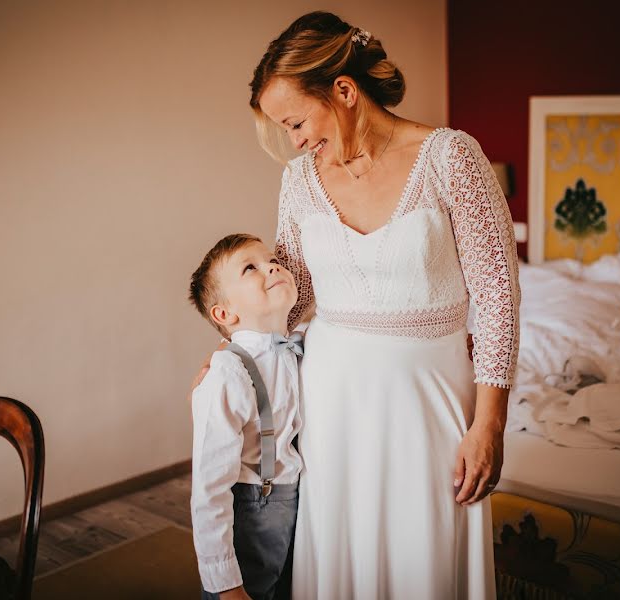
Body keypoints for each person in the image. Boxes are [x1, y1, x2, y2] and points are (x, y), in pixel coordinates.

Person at [241, 11, 520, 598]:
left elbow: (497, 299)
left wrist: (489, 423)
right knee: (345, 557)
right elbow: (294, 299)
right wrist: (235, 358)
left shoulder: (452, 157)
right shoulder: (299, 182)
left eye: (296, 121)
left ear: (343, 90)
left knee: (428, 554)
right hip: (333, 402)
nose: (294, 140)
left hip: (430, 398)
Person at [188, 233, 305, 600]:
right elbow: (209, 490)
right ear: (225, 314)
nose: (272, 266)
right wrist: (226, 585)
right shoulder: (227, 373)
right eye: (250, 268)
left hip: (293, 504)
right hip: (250, 512)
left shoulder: (295, 346)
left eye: (272, 260)